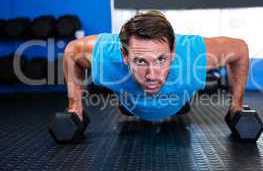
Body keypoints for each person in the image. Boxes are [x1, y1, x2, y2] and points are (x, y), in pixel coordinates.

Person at [63, 11, 249, 121]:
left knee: (180, 101)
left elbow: (240, 49)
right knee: (128, 104)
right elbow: (71, 51)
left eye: (161, 59)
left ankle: (180, 102)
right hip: (131, 105)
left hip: (177, 102)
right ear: (124, 56)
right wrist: (75, 107)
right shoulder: (106, 54)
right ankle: (129, 104)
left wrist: (236, 106)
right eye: (141, 61)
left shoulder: (193, 53)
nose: (152, 75)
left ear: (173, 51)